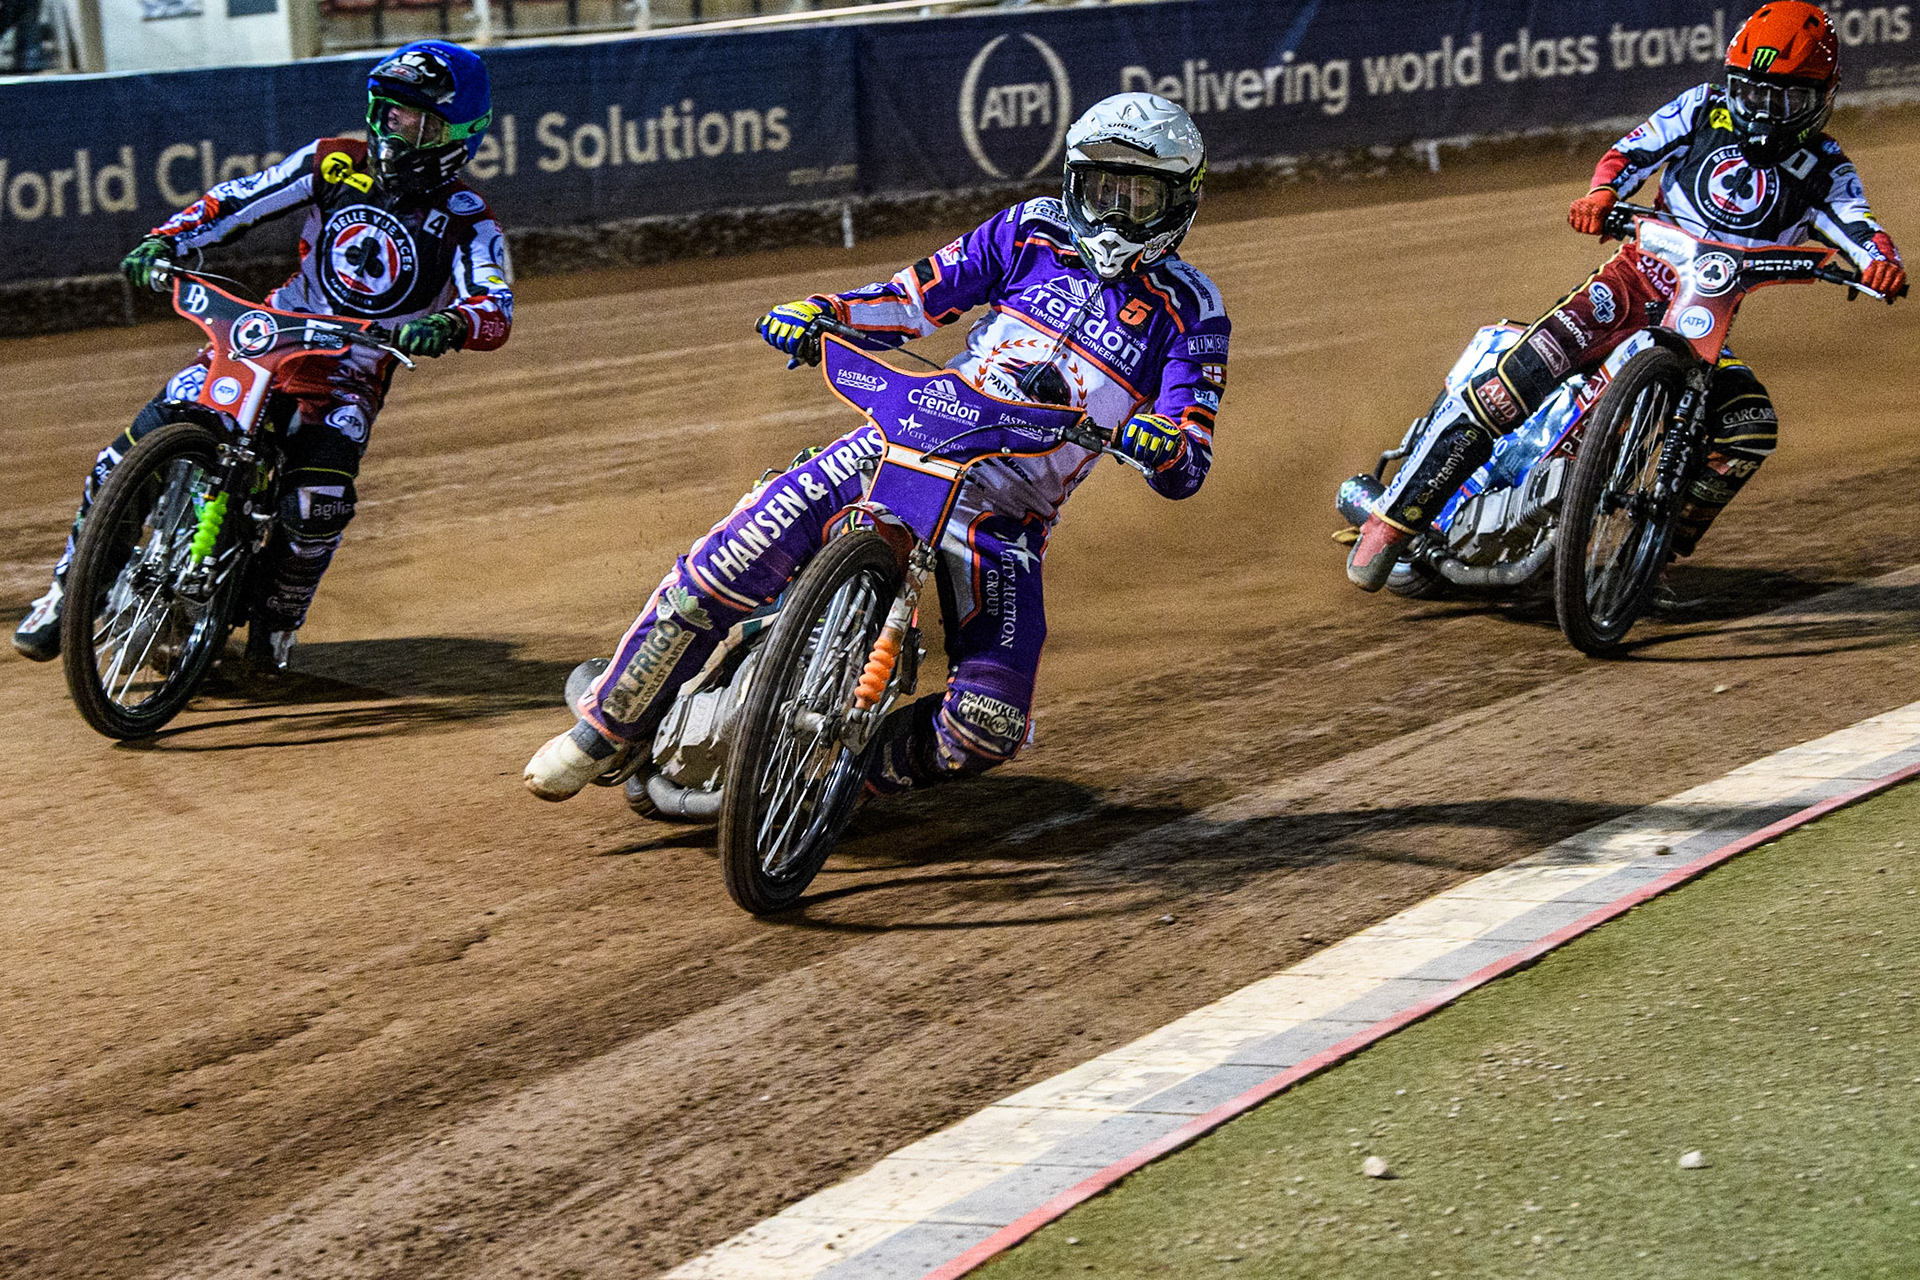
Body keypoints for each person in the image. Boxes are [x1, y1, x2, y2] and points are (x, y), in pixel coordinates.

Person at [524, 91, 1230, 804]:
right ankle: (605, 731)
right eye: (1102, 190)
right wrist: (824, 312)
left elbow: (1190, 457)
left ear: (1179, 202)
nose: (1114, 214)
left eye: (1138, 197)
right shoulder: (1030, 230)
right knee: (731, 557)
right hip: (903, 440)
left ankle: (832, 789)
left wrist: (1162, 443)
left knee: (988, 725)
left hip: (1002, 516)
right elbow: (913, 297)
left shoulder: (1192, 309)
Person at [1345, 1, 1906, 592]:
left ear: (1822, 97)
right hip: (1631, 284)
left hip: (1701, 325)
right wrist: (1601, 194)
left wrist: (1881, 263)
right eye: (1751, 92)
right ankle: (1392, 522)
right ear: (1731, 81)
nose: (1764, 111)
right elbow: (1630, 151)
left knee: (1750, 426)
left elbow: (1860, 224)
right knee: (1514, 381)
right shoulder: (1702, 107)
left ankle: (1646, 557)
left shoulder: (1827, 167)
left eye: (1785, 99)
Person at [12, 40, 513, 668]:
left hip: (346, 372)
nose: (395, 132)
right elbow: (240, 199)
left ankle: (278, 618)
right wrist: (168, 238)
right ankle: (67, 593)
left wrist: (450, 323)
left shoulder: (468, 220)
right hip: (265, 337)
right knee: (128, 451)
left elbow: (496, 305)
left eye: (418, 122)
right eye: (390, 113)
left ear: (459, 136)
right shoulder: (335, 162)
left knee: (316, 500)